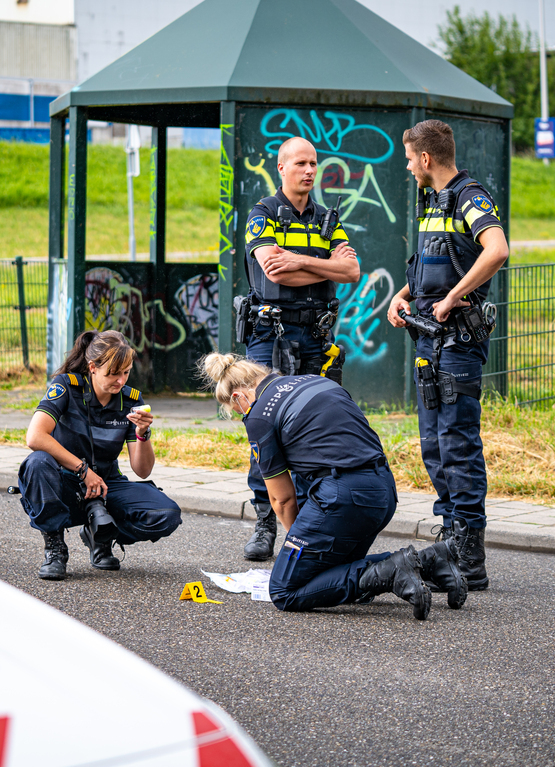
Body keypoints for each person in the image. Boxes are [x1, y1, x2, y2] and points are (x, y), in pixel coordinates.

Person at [199, 352, 468, 619]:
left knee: (284, 590)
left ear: (238, 397)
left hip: (344, 498)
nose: (244, 415)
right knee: (332, 575)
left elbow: (281, 500)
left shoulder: (259, 415)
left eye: (239, 412)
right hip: (383, 491)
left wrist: (299, 544)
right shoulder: (317, 381)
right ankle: (431, 560)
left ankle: (394, 571)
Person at [386, 119, 509, 591]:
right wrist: (402, 297)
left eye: (408, 156)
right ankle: (452, 532)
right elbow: (430, 270)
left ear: (426, 158)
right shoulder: (431, 201)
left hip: (457, 344)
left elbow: (496, 250)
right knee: (434, 447)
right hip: (428, 343)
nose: (406, 164)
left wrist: (454, 296)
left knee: (458, 446)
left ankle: (469, 554)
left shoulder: (467, 196)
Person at [237, 136, 360, 563]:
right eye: (301, 164)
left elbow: (352, 271)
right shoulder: (264, 214)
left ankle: (307, 518)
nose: (309, 171)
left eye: (314, 164)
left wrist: (301, 261)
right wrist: (322, 266)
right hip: (270, 336)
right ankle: (264, 522)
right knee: (265, 426)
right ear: (282, 169)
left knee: (314, 426)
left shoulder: (328, 219)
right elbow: (273, 272)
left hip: (315, 338)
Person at [17, 330, 182, 579]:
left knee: (167, 515)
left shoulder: (130, 401)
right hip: (65, 482)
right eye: (113, 374)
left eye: (126, 372)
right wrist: (83, 471)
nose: (120, 381)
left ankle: (101, 536)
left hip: (107, 484)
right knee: (37, 464)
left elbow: (143, 470)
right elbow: (35, 437)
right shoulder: (66, 386)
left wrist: (142, 433)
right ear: (92, 367)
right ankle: (55, 547)